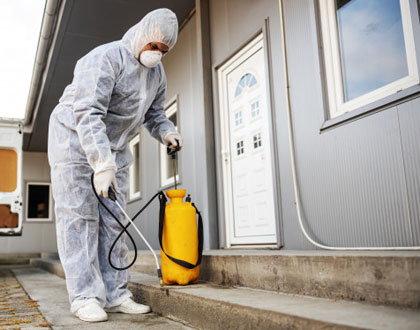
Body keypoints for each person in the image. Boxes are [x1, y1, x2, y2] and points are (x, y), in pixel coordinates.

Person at [47, 8, 182, 323]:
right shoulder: (105, 58)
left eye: (164, 50)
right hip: (75, 141)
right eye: (153, 46)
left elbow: (154, 114)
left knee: (114, 221)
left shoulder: (156, 75)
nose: (156, 55)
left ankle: (116, 294)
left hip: (116, 147)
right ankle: (84, 297)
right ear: (141, 35)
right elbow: (89, 111)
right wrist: (100, 163)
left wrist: (168, 132)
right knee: (79, 216)